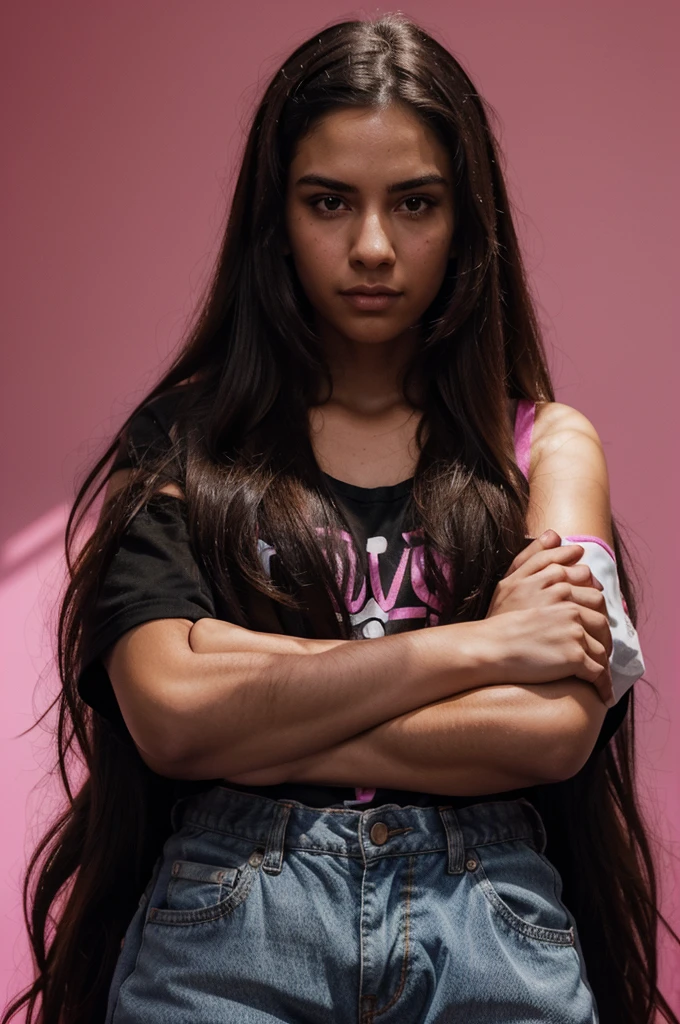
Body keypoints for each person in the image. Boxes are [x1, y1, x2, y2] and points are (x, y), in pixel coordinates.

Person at [5, 13, 679, 1024]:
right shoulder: (185, 440)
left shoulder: (547, 449)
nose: (372, 246)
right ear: (275, 217)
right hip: (227, 920)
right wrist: (482, 645)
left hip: (488, 923)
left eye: (414, 203)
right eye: (329, 202)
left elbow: (549, 731)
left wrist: (253, 707)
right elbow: (168, 716)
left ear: (467, 220)